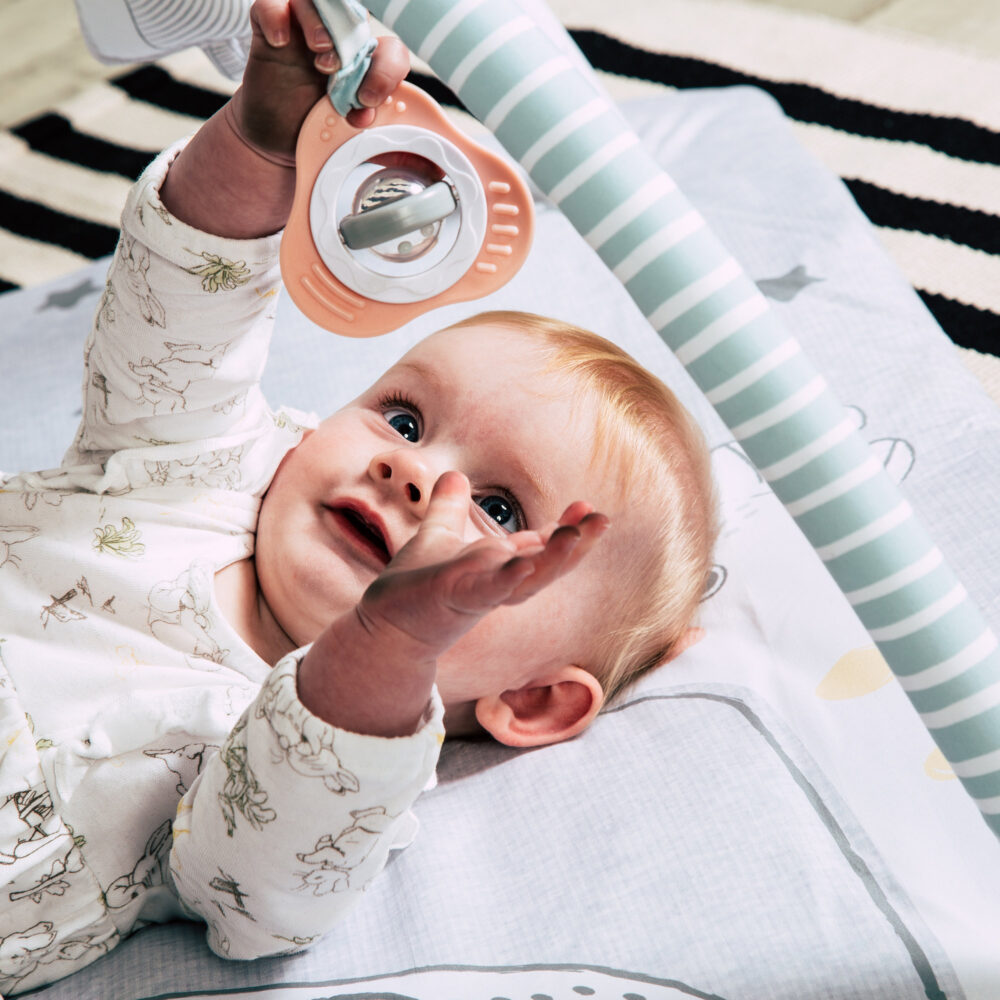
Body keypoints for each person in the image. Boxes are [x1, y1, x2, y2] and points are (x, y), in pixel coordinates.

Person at [0, 0, 717, 992]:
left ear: (531, 697)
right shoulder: (192, 461)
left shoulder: (333, 778)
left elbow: (255, 898)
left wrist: (389, 638)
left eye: (499, 508)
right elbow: (187, 294)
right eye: (407, 420)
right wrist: (261, 133)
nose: (410, 470)